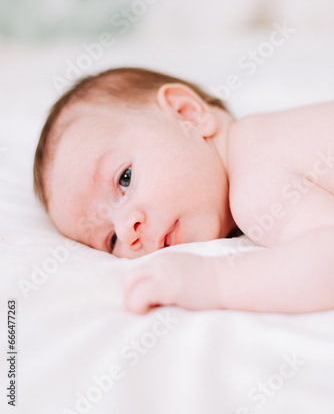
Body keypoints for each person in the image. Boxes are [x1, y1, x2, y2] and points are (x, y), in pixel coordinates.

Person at [33, 67, 334, 315]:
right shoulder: (268, 136)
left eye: (124, 179)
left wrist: (216, 282)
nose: (127, 231)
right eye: (111, 239)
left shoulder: (254, 184)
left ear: (187, 114)